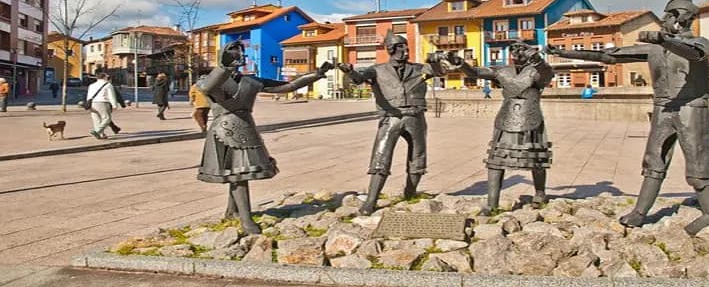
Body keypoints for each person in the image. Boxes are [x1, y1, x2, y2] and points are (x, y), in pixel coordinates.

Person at [547, 0, 709, 235]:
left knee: (697, 163)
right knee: (654, 161)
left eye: (671, 15)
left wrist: (662, 40)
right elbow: (609, 55)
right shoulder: (654, 50)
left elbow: (694, 53)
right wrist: (564, 53)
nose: (665, 19)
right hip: (662, 107)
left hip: (691, 107)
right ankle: (639, 213)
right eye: (666, 14)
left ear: (684, 17)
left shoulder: (699, 42)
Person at [197, 40, 332, 234]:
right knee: (238, 173)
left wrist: (317, 74)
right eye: (233, 52)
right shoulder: (208, 78)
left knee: (238, 171)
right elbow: (208, 87)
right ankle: (245, 219)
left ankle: (232, 211)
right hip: (224, 130)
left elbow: (288, 86)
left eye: (240, 53)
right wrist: (223, 68)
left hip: (246, 127)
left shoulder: (252, 81)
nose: (238, 56)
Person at [337, 31, 449, 215]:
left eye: (406, 47)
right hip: (391, 117)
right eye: (401, 47)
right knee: (381, 157)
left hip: (415, 116)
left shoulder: (419, 69)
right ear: (391, 49)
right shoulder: (377, 70)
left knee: (418, 156)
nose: (406, 51)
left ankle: (410, 193)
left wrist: (435, 60)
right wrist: (349, 71)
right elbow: (358, 79)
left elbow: (439, 71)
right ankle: (371, 201)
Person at [452, 41, 554, 213]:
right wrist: (461, 64)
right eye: (514, 51)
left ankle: (540, 193)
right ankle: (492, 203)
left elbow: (547, 74)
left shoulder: (537, 70)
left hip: (531, 115)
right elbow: (476, 72)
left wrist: (537, 59)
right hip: (506, 116)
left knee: (536, 157)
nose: (517, 54)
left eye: (521, 50)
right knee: (496, 160)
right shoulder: (501, 71)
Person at [86, 73, 121, 139]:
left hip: (92, 103)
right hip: (103, 103)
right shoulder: (108, 85)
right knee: (107, 118)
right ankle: (97, 131)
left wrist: (88, 104)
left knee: (96, 119)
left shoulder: (91, 85)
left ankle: (101, 134)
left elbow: (89, 96)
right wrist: (114, 105)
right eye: (107, 76)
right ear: (104, 77)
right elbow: (111, 96)